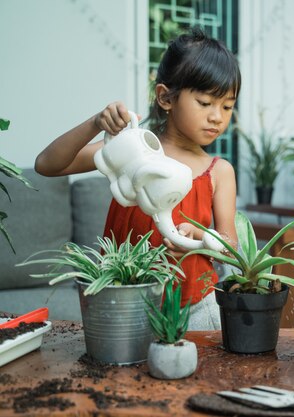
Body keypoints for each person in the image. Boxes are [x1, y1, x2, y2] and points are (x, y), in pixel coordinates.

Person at [34, 27, 240, 330]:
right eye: (205, 102)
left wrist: (201, 240)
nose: (217, 117)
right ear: (165, 98)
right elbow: (47, 164)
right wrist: (95, 123)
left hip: (196, 310)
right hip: (123, 300)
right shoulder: (132, 152)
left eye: (227, 106)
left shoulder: (220, 171)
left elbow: (231, 247)